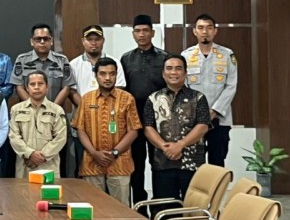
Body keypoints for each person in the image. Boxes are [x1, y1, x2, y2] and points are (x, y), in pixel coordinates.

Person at [143, 55, 211, 209]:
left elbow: (203, 125)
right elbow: (148, 127)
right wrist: (165, 147)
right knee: (164, 208)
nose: (174, 72)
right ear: (163, 73)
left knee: (193, 207)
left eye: (178, 68)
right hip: (162, 162)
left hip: (192, 163)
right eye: (169, 68)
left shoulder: (198, 97)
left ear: (185, 73)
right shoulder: (153, 98)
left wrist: (180, 145)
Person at [72, 58, 141, 205]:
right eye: (103, 74)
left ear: (117, 75)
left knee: (121, 210)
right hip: (92, 162)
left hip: (119, 163)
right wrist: (94, 153)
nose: (108, 78)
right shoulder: (86, 99)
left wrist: (115, 152)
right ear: (96, 76)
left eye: (112, 74)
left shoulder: (127, 99)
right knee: (94, 209)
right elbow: (80, 129)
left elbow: (133, 130)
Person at [120, 14, 167, 207]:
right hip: (135, 123)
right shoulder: (126, 59)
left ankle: (159, 208)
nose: (142, 34)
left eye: (145, 30)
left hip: (159, 122)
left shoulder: (165, 57)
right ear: (133, 34)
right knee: (136, 167)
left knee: (159, 166)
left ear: (153, 33)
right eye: (137, 31)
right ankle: (138, 208)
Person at [69, 25, 126, 178]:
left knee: (113, 169)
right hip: (83, 125)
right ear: (83, 41)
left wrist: (101, 110)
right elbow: (72, 92)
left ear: (103, 41)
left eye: (97, 39)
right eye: (89, 39)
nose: (93, 43)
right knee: (84, 168)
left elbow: (119, 89)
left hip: (111, 125)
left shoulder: (114, 62)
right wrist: (89, 110)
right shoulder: (73, 64)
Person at [181, 14, 237, 167]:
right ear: (194, 31)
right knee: (193, 162)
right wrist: (199, 113)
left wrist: (214, 111)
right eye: (200, 28)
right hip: (194, 119)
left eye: (209, 28)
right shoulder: (186, 56)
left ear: (215, 31)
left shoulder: (227, 55)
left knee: (217, 162)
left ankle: (217, 192)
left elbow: (231, 85)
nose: (205, 32)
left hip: (220, 119)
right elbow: (183, 86)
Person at [8, 71, 67, 178]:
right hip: (25, 164)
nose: (36, 87)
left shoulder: (57, 110)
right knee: (23, 194)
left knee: (48, 194)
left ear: (47, 87)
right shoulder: (16, 109)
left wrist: (41, 156)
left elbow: (61, 138)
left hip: (48, 165)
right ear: (27, 88)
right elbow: (13, 136)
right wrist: (29, 154)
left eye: (40, 84)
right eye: (32, 84)